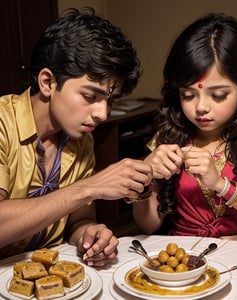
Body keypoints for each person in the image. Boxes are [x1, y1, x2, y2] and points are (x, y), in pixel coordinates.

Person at [0, 8, 152, 265]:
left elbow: (78, 220)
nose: (103, 113)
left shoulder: (81, 139)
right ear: (47, 82)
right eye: (90, 97)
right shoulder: (4, 122)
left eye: (110, 101)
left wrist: (91, 236)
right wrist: (89, 187)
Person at [133, 13, 237, 242]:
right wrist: (145, 176)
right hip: (183, 259)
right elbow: (147, 225)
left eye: (218, 95)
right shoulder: (169, 138)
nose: (201, 107)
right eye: (188, 95)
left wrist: (220, 185)